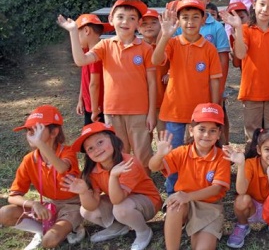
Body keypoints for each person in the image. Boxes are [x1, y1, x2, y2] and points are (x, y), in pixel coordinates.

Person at [57, 0, 157, 168]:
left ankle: (144, 190)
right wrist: (73, 32)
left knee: (142, 158)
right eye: (120, 17)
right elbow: (81, 60)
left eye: (132, 18)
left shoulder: (145, 49)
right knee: (119, 156)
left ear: (139, 23)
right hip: (112, 112)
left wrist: (151, 113)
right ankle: (122, 190)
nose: (125, 22)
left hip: (139, 112)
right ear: (111, 19)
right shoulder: (104, 45)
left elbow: (152, 83)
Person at [152, 0, 222, 195]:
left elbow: (214, 81)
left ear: (203, 20)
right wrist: (164, 36)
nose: (190, 22)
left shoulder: (209, 48)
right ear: (178, 21)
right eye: (185, 17)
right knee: (173, 156)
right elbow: (156, 60)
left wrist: (215, 109)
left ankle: (198, 191)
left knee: (199, 155)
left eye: (195, 17)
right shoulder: (173, 43)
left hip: (201, 114)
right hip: (174, 110)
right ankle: (172, 193)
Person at [63, 122, 161, 250]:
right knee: (85, 210)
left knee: (120, 208)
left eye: (100, 142)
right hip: (121, 202)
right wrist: (83, 192)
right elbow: (91, 206)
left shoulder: (128, 163)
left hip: (147, 203)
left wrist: (114, 176)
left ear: (113, 140)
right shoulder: (92, 171)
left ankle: (143, 231)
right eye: (90, 148)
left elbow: (117, 200)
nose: (96, 149)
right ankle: (118, 227)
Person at [149, 104, 231, 250]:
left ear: (219, 134)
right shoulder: (182, 151)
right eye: (201, 129)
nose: (206, 135)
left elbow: (216, 189)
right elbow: (153, 167)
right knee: (174, 206)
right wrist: (159, 154)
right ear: (191, 130)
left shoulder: (222, 157)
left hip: (209, 207)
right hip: (184, 202)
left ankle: (198, 230)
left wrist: (188, 196)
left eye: (212, 131)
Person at [1, 105, 83, 250]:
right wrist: (34, 204)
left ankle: (75, 227)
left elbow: (62, 167)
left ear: (54, 132)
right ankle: (41, 231)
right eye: (28, 130)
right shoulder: (29, 160)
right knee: (5, 213)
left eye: (37, 129)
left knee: (49, 242)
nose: (31, 134)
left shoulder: (67, 152)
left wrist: (39, 143)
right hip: (49, 205)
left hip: (72, 206)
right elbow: (13, 196)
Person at [222, 0, 269, 142]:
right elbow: (240, 54)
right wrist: (238, 28)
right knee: (252, 137)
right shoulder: (245, 30)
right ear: (254, 5)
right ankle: (251, 165)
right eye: (262, 4)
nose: (265, 9)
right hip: (252, 92)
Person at [180, 0, 232, 144]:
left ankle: (222, 148)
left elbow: (223, 59)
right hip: (187, 85)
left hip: (211, 84)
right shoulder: (180, 25)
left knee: (216, 116)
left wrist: (220, 87)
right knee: (192, 120)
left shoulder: (216, 27)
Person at [224, 128, 269, 247]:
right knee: (241, 200)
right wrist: (241, 165)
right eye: (267, 149)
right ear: (259, 150)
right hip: (253, 208)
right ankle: (242, 226)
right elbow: (241, 191)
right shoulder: (250, 164)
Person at [75, 14, 111, 125]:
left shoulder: (97, 55)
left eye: (77, 36)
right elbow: (84, 77)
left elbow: (94, 84)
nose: (77, 41)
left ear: (86, 30)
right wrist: (80, 99)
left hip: (98, 108)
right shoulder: (86, 52)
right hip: (89, 105)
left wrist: (95, 110)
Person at [137, 9, 168, 133]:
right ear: (138, 28)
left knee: (164, 136)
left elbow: (178, 63)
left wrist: (171, 73)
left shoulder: (167, 45)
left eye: (154, 22)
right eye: (144, 23)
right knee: (144, 137)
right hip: (143, 101)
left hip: (164, 99)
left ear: (161, 25)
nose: (149, 26)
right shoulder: (135, 47)